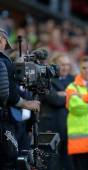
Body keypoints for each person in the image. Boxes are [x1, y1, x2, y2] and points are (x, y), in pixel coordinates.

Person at [0, 28, 40, 169]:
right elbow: (7, 93)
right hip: (4, 119)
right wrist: (27, 104)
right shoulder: (3, 61)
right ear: (2, 40)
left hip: (18, 122)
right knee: (9, 158)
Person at [39, 54, 74, 170]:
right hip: (50, 128)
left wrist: (63, 95)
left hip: (68, 128)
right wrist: (70, 95)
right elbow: (55, 100)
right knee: (51, 163)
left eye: (68, 65)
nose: (65, 68)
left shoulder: (73, 80)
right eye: (62, 64)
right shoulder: (45, 79)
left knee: (68, 163)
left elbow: (80, 99)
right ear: (54, 65)